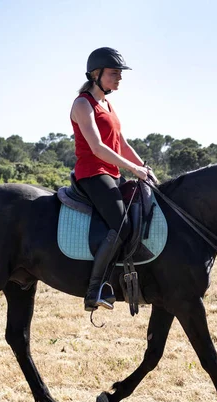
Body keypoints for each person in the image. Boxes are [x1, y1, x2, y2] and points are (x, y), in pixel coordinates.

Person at [70, 47, 151, 312]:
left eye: (120, 74)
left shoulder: (107, 104)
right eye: (114, 73)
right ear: (96, 74)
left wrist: (144, 168)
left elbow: (122, 144)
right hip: (93, 174)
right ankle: (94, 290)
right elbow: (97, 148)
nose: (119, 78)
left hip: (112, 174)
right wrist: (133, 169)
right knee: (122, 224)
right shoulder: (83, 103)